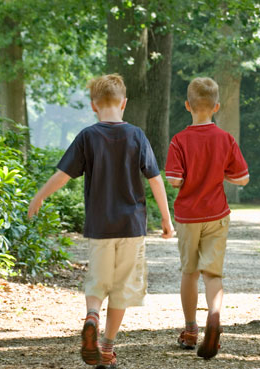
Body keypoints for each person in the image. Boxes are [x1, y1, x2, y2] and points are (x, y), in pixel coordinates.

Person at [27, 74, 174, 369]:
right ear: (124, 103)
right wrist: (167, 221)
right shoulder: (137, 135)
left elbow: (63, 175)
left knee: (98, 280)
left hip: (99, 226)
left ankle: (91, 316)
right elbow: (155, 179)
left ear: (94, 105)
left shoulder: (87, 136)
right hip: (132, 227)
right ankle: (106, 346)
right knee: (121, 287)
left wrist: (39, 196)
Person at [165, 77, 249, 360]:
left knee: (189, 272)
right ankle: (214, 316)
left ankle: (190, 330)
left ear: (188, 105)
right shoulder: (226, 139)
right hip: (217, 214)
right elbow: (243, 178)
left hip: (188, 216)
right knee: (212, 273)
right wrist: (219, 172)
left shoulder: (179, 140)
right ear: (217, 107)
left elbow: (175, 180)